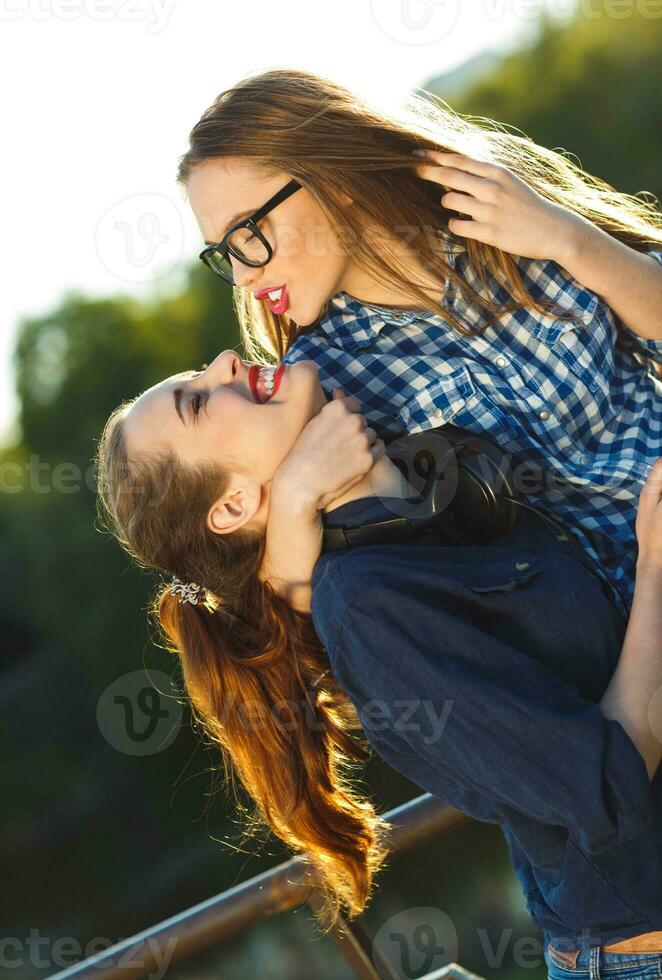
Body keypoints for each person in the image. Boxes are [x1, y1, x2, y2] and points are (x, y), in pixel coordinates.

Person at [95, 349, 662, 977]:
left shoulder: (407, 496)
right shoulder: (365, 606)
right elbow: (607, 790)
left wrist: (295, 503)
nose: (226, 359)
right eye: (197, 402)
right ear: (231, 508)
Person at [176, 67, 662, 628]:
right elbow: (299, 610)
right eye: (224, 252)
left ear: (334, 183)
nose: (241, 277)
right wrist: (290, 501)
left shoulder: (496, 211)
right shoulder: (319, 383)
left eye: (248, 234)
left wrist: (566, 237)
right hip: (628, 636)